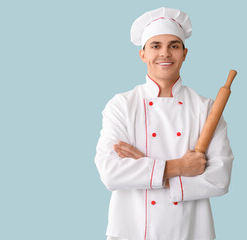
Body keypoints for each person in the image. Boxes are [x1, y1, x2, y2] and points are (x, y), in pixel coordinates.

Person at [94, 7, 234, 240]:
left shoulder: (206, 108)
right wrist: (178, 167)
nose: (165, 53)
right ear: (143, 54)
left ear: (185, 53)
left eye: (174, 45)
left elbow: (219, 179)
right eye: (156, 46)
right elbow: (110, 173)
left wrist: (144, 166)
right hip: (131, 232)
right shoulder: (121, 105)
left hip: (190, 232)